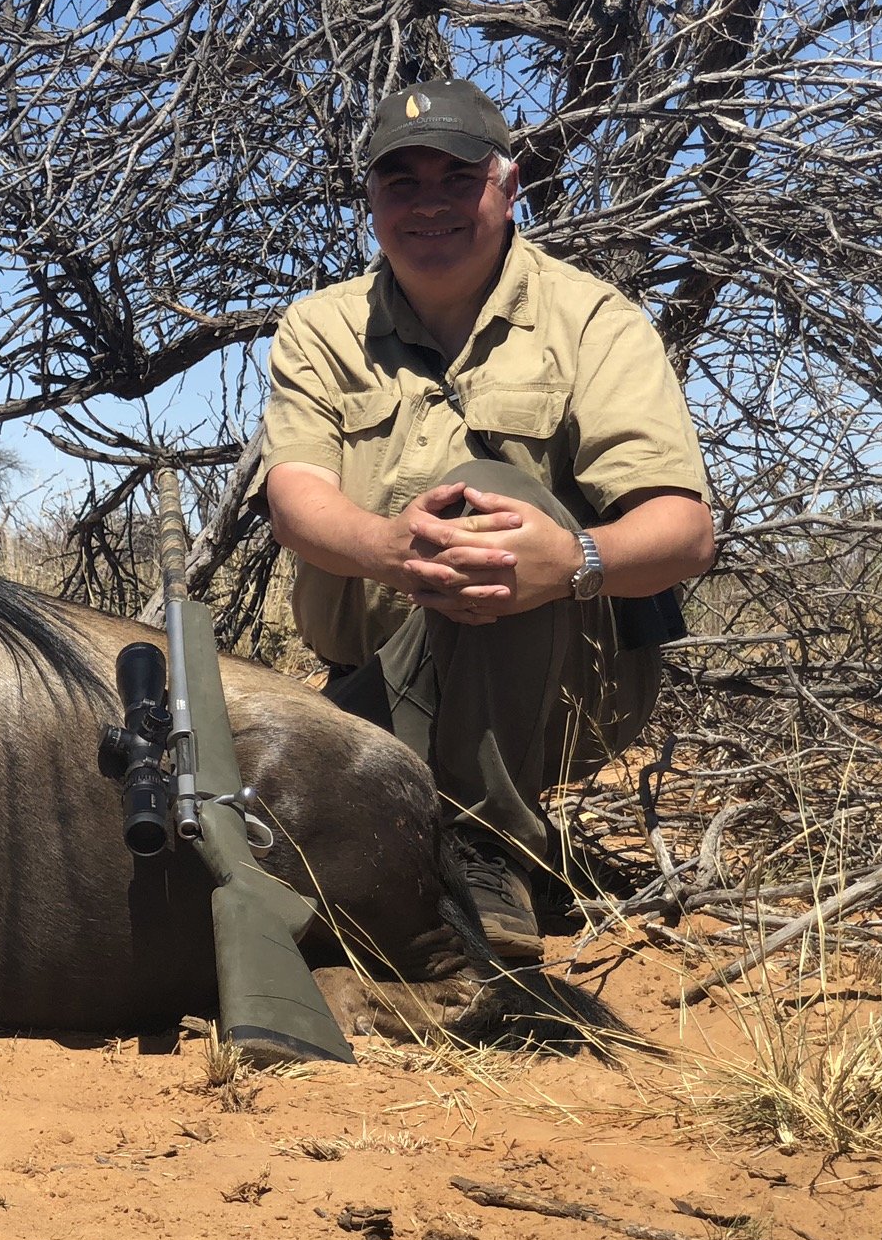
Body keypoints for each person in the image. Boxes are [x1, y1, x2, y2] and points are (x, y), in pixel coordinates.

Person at [252, 78, 715, 959]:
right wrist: (389, 548)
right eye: (402, 182)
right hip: (379, 687)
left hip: (564, 699)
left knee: (488, 498)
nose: (429, 203)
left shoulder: (596, 320)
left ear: (507, 187)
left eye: (457, 178)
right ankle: (432, 832)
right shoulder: (320, 328)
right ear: (372, 202)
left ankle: (488, 842)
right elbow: (297, 503)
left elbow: (683, 532)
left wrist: (573, 558)